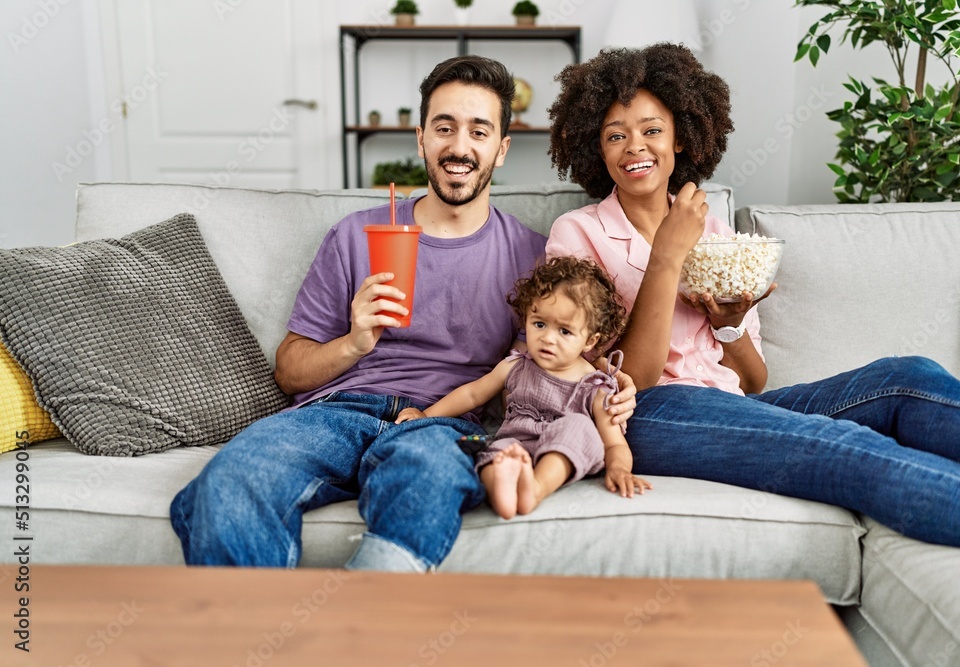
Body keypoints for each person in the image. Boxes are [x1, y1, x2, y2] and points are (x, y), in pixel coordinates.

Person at [169, 55, 636, 573]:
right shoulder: (354, 236)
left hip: (442, 424)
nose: (460, 147)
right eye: (444, 128)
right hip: (337, 411)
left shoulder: (532, 256)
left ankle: (358, 635)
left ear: (501, 149)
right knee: (233, 481)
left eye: (479, 131)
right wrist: (354, 341)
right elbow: (289, 370)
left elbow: (563, 358)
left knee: (428, 484)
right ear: (421, 140)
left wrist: (615, 386)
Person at [544, 42, 960, 555]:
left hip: (727, 403)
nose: (635, 147)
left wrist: (729, 325)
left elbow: (755, 383)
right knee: (844, 450)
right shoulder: (577, 234)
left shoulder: (714, 233)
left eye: (652, 130)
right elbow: (635, 380)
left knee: (908, 377)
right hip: (643, 416)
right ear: (595, 148)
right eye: (615, 135)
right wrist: (667, 257)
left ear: (681, 139)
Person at [396, 256, 651, 520]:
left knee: (580, 427)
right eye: (539, 324)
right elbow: (472, 393)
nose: (548, 338)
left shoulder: (597, 387)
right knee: (495, 452)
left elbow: (613, 444)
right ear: (526, 318)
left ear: (590, 340)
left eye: (565, 331)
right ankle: (501, 488)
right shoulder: (515, 366)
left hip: (562, 453)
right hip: (515, 444)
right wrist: (426, 415)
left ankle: (536, 489)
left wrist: (620, 469)